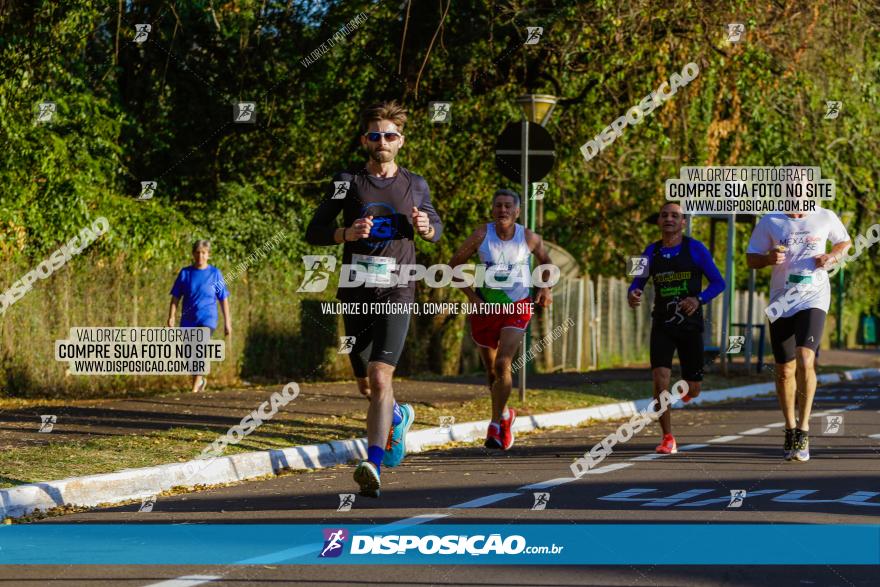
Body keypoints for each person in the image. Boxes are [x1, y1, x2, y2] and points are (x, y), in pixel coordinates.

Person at [305, 100, 442, 497]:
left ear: (401, 141)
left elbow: (437, 227)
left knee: (383, 376)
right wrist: (346, 234)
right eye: (375, 135)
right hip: (355, 289)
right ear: (365, 139)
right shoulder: (347, 180)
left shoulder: (415, 184)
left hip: (398, 289)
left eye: (390, 135)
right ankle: (399, 416)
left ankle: (374, 462)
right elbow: (314, 230)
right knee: (367, 386)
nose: (382, 141)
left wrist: (426, 228)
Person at [746, 198, 850, 462]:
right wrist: (768, 258)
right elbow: (750, 259)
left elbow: (844, 242)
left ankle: (803, 428)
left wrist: (831, 256)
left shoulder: (824, 215)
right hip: (782, 302)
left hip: (813, 296)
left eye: (801, 186)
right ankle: (790, 426)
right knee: (784, 370)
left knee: (806, 357)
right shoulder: (771, 220)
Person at [448, 188, 553, 450]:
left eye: (508, 206)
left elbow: (547, 263)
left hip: (518, 307)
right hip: (486, 309)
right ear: (492, 210)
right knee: (491, 370)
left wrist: (544, 287)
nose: (503, 210)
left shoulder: (528, 237)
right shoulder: (481, 235)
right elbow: (453, 265)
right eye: (498, 206)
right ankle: (506, 414)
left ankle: (495, 425)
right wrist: (472, 297)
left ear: (517, 212)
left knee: (504, 363)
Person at [628, 202, 725, 454]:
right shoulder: (650, 251)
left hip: (690, 325)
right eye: (664, 215)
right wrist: (633, 293)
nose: (669, 219)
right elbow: (635, 282)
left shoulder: (696, 249)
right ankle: (667, 437)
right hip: (662, 323)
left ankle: (690, 388)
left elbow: (718, 282)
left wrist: (698, 299)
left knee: (693, 387)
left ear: (684, 222)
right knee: (660, 380)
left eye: (675, 216)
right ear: (659, 221)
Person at [167, 240, 231, 393]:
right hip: (188, 320)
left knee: (200, 348)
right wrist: (171, 316)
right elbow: (175, 297)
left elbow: (223, 299)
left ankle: (194, 388)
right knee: (190, 354)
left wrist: (227, 322)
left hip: (207, 319)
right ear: (193, 254)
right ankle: (200, 379)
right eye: (197, 252)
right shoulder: (185, 273)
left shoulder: (215, 274)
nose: (200, 256)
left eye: (203, 253)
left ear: (208, 255)